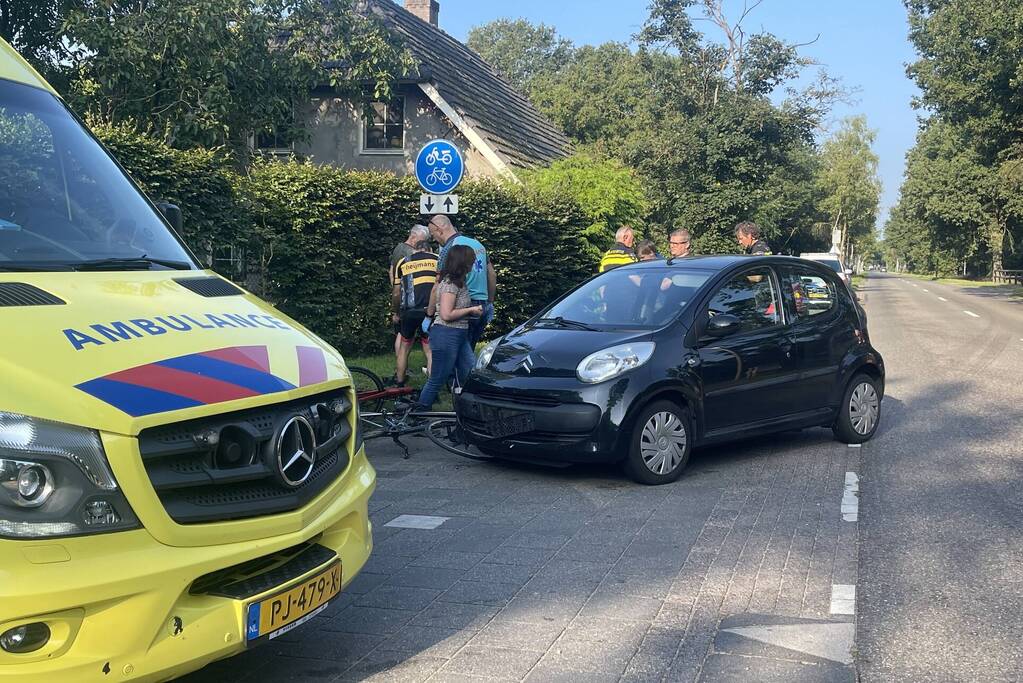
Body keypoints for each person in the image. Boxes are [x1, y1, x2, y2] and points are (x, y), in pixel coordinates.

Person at [415, 244, 483, 411]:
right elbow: (446, 314)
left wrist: (469, 314)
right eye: (471, 261)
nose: (474, 264)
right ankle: (420, 412)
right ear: (462, 262)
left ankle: (466, 410)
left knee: (469, 372)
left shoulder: (460, 283)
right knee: (438, 377)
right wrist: (471, 310)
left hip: (459, 334)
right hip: (446, 334)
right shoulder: (450, 285)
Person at [428, 215, 496, 347]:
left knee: (456, 353)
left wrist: (429, 314)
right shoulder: (478, 244)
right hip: (482, 304)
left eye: (432, 234)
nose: (434, 239)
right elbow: (492, 274)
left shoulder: (450, 248)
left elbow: (438, 284)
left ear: (439, 229)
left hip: (461, 305)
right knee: (469, 350)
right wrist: (489, 302)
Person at [392, 239, 436, 386]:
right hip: (430, 311)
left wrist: (396, 312)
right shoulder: (438, 259)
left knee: (404, 347)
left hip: (409, 311)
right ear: (429, 249)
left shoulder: (403, 262)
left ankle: (399, 383)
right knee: (429, 349)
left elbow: (397, 292)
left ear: (415, 250)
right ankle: (431, 388)